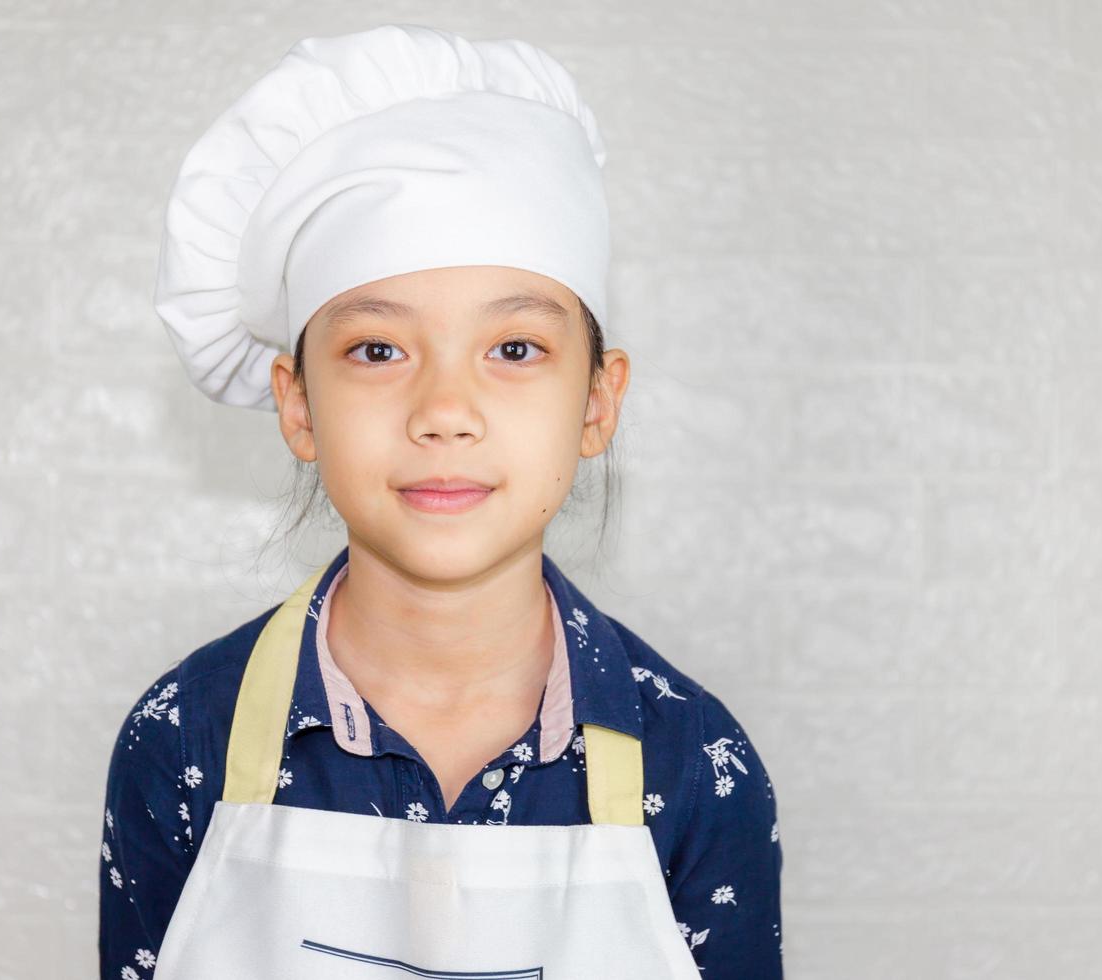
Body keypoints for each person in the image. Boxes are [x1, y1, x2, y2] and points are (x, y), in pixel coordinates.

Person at [98, 23, 783, 979]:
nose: (445, 412)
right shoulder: (182, 740)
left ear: (597, 400)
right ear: (297, 404)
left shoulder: (694, 763)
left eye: (514, 350)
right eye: (377, 350)